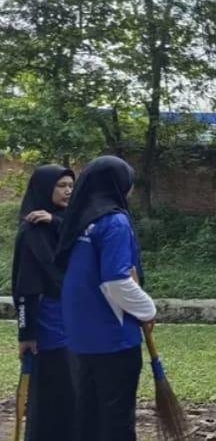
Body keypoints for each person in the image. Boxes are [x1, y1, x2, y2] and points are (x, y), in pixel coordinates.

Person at [56, 156, 156, 441]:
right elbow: (116, 281)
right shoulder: (114, 221)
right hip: (113, 337)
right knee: (116, 419)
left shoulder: (78, 220)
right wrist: (148, 310)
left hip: (80, 337)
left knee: (87, 415)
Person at [11, 164, 76, 441]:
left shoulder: (67, 222)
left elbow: (81, 236)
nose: (68, 191)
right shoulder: (32, 230)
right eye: (61, 186)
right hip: (49, 321)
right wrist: (26, 333)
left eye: (71, 186)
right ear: (45, 188)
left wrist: (56, 222)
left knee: (74, 389)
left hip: (76, 319)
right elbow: (25, 286)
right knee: (51, 387)